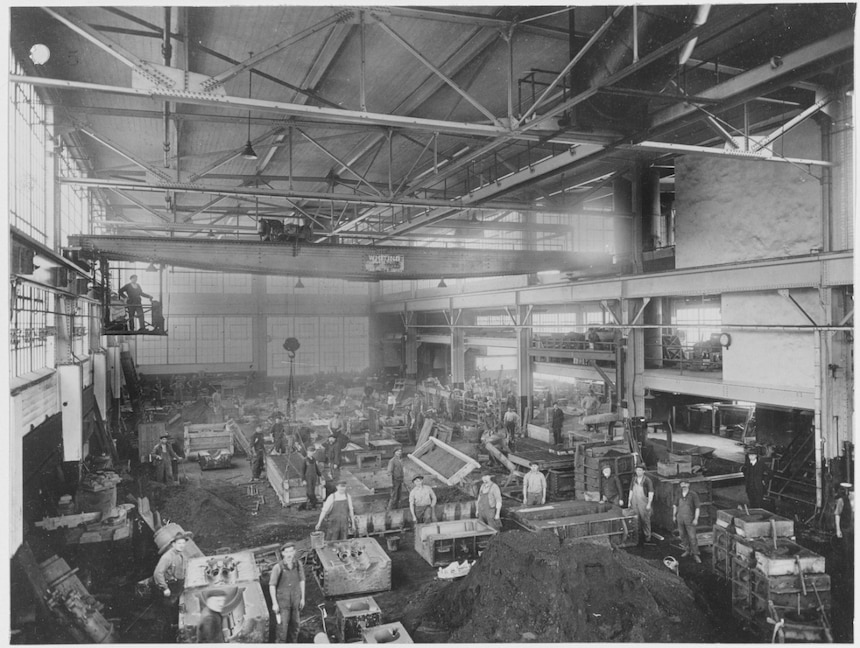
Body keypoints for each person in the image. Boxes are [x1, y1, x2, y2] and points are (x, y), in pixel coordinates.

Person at [269, 543, 306, 643]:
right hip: (282, 603)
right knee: (282, 629)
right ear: (282, 553)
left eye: (291, 551)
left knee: (295, 626)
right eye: (286, 552)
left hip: (296, 601)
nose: (289, 554)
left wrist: (302, 598)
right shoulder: (278, 567)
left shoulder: (298, 565)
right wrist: (275, 603)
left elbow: (302, 580)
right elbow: (272, 585)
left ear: (294, 552)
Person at [153, 530, 193, 605]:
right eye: (179, 543)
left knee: (179, 599)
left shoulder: (180, 553)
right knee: (170, 603)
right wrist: (165, 588)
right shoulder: (167, 557)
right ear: (173, 544)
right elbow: (157, 573)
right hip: (171, 585)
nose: (182, 545)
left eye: (183, 543)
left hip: (179, 583)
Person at [672, 479, 702, 563]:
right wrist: (674, 515)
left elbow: (697, 508)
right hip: (680, 518)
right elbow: (675, 505)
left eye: (685, 484)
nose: (683, 485)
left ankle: (695, 554)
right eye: (682, 484)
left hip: (690, 518)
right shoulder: (678, 494)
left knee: (692, 537)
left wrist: (696, 518)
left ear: (688, 485)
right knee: (682, 535)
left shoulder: (693, 494)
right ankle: (687, 550)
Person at [629, 464, 655, 545]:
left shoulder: (647, 480)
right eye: (637, 470)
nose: (638, 472)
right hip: (634, 501)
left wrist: (649, 504)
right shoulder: (634, 479)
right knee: (636, 519)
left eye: (640, 470)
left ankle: (647, 537)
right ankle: (638, 537)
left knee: (645, 520)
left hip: (643, 502)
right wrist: (629, 501)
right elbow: (631, 491)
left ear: (643, 471)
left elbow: (651, 493)